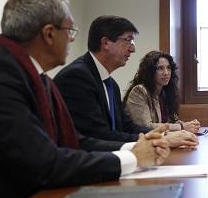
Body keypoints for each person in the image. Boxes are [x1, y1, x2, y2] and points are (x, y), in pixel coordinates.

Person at [0, 0, 170, 198]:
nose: (73, 39)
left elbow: (74, 140)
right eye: (70, 31)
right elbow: (44, 163)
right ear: (49, 34)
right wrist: (134, 159)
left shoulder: (33, 76)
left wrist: (134, 150)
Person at [55, 16, 197, 148]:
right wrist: (160, 140)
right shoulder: (77, 77)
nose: (133, 48)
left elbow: (127, 126)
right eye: (128, 40)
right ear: (105, 43)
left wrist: (163, 135)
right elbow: (98, 137)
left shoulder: (111, 85)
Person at [123, 50, 200, 133]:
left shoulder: (165, 92)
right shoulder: (139, 91)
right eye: (160, 68)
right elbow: (145, 126)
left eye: (168, 68)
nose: (166, 73)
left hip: (161, 140)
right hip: (142, 142)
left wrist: (190, 125)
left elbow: (173, 121)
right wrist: (182, 127)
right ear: (150, 71)